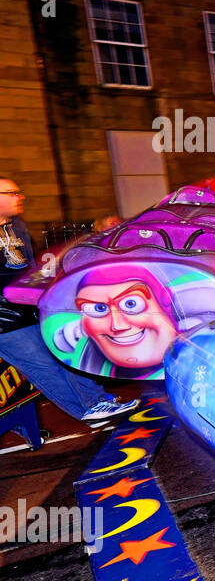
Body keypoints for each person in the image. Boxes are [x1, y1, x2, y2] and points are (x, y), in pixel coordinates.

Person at [0, 179, 138, 423]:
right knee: (43, 366)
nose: (19, 197)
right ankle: (88, 409)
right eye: (11, 193)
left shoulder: (16, 227)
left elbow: (29, 269)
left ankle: (96, 401)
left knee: (68, 350)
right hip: (4, 319)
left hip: (27, 307)